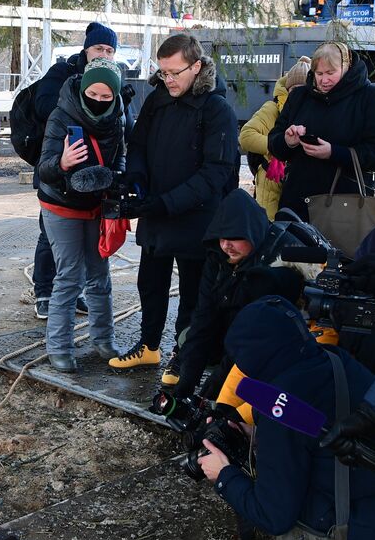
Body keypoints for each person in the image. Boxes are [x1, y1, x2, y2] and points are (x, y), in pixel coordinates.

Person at [196, 296, 375, 540]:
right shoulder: (334, 359)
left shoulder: (282, 409)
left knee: (287, 498)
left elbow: (273, 516)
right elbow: (315, 419)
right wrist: (253, 431)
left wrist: (224, 476)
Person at [112, 33, 239, 378]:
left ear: (196, 67)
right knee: (150, 283)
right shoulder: (157, 99)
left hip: (195, 218)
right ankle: (149, 345)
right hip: (155, 212)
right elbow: (136, 145)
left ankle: (183, 355)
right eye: (163, 72)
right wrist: (136, 183)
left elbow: (217, 172)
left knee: (193, 295)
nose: (168, 80)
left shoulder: (217, 109)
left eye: (174, 73)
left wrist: (166, 203)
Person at [28, 21, 124, 318]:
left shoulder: (113, 80)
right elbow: (43, 107)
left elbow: (124, 128)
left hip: (95, 178)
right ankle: (43, 290)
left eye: (109, 50)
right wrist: (78, 106)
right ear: (87, 48)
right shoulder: (63, 73)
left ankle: (76, 293)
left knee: (89, 251)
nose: (104, 54)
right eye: (99, 48)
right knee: (50, 235)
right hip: (59, 164)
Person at [35, 58, 125, 372]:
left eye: (106, 97)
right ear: (84, 89)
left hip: (96, 205)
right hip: (61, 205)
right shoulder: (61, 115)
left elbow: (122, 156)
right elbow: (43, 170)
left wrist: (115, 178)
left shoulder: (118, 115)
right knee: (69, 278)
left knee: (100, 275)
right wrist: (63, 161)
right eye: (94, 95)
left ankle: (103, 339)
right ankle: (59, 347)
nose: (99, 102)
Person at [169, 188, 305, 397]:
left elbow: (254, 336)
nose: (226, 246)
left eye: (234, 238)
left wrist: (216, 388)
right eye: (222, 237)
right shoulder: (218, 256)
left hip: (276, 341)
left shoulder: (275, 263)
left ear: (252, 232)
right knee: (188, 337)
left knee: (228, 388)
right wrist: (187, 383)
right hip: (233, 326)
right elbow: (203, 317)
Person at [267, 41, 375, 221]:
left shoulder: (372, 98)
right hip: (298, 207)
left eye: (330, 73)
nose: (324, 80)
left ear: (346, 67)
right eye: (318, 74)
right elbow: (274, 143)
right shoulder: (299, 96)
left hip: (347, 211)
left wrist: (334, 153)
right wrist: (287, 141)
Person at [237, 56, 311, 218]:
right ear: (287, 89)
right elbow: (246, 136)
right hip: (271, 188)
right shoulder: (272, 109)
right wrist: (276, 147)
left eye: (303, 89)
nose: (298, 94)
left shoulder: (314, 111)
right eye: (294, 89)